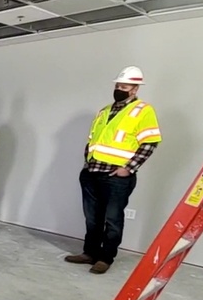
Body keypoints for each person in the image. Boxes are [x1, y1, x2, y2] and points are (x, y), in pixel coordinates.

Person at [65, 66, 162, 274]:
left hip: (116, 177)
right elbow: (93, 140)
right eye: (118, 85)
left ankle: (105, 258)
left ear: (135, 89)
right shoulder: (104, 111)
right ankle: (89, 252)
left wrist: (129, 168)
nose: (119, 89)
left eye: (124, 87)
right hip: (92, 173)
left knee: (112, 219)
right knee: (92, 218)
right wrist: (87, 164)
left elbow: (150, 143)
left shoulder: (143, 111)